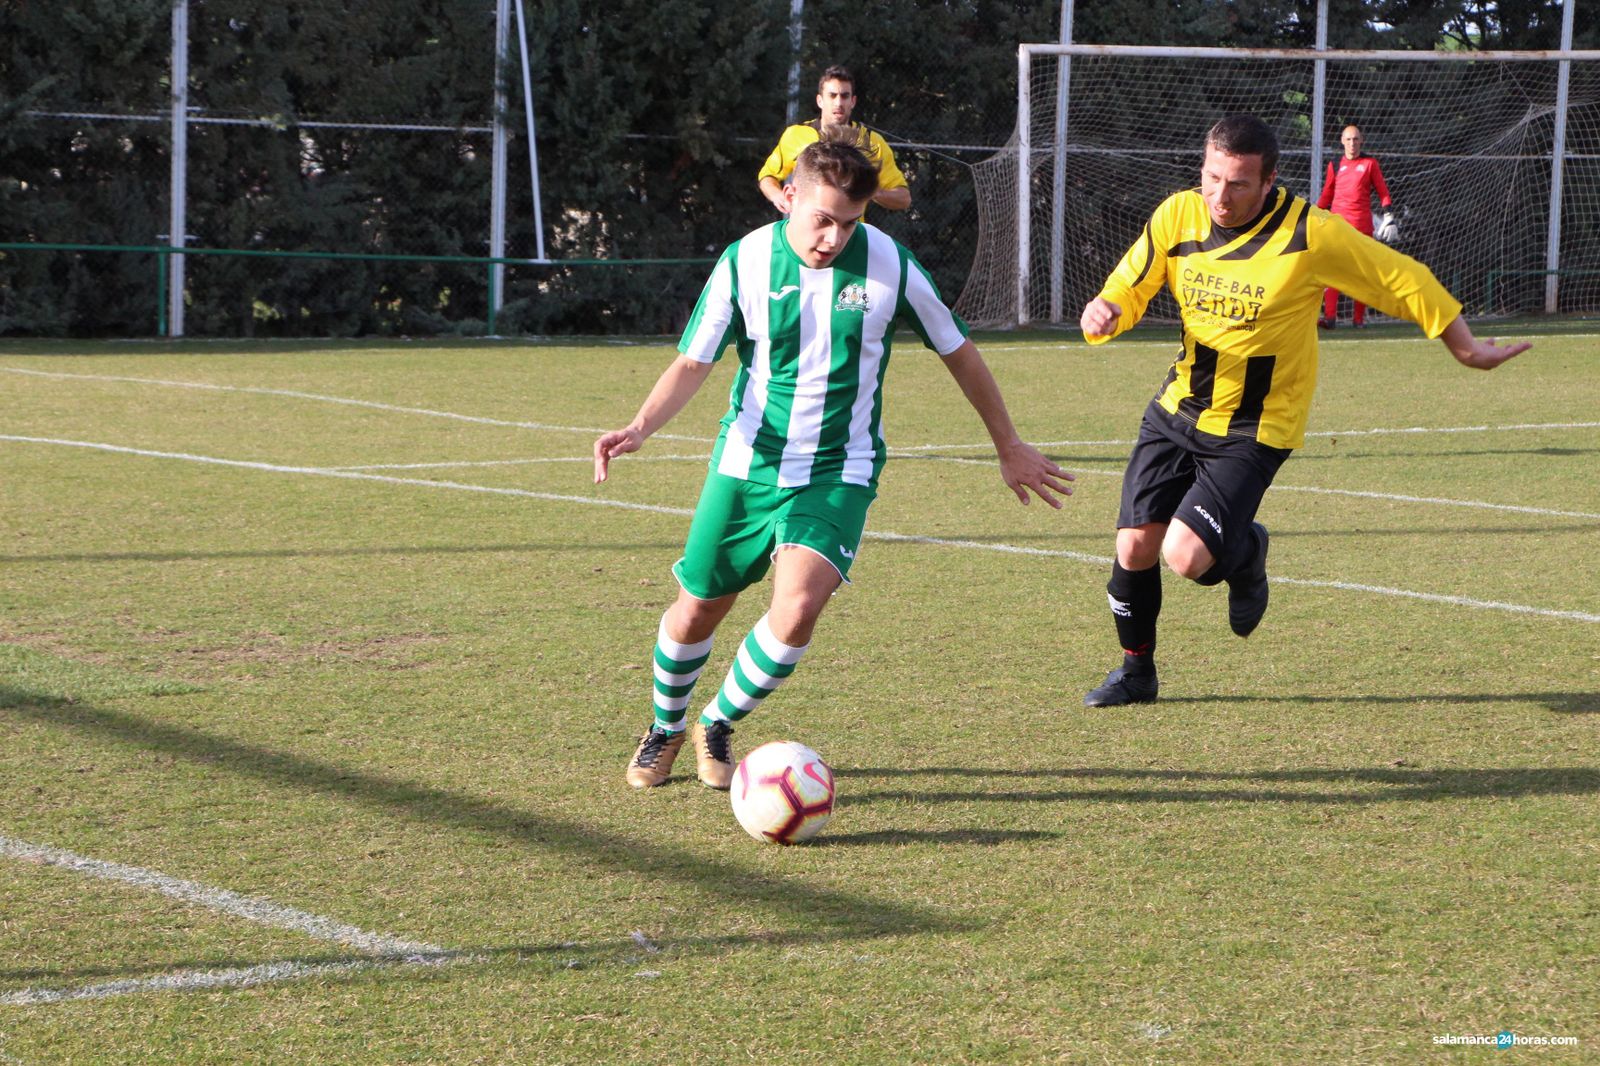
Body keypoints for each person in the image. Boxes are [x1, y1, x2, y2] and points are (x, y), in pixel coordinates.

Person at [598, 135, 1071, 788]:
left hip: (839, 468)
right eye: (821, 219)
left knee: (796, 610)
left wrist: (1008, 444)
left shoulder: (891, 266)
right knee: (698, 607)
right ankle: (665, 726)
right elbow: (692, 361)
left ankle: (717, 721)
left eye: (849, 222)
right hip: (749, 462)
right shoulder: (745, 263)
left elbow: (958, 350)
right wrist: (640, 425)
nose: (833, 238)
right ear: (789, 197)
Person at [1077, 114, 1528, 708]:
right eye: (1212, 178)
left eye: (1238, 183)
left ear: (1269, 181)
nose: (1220, 196)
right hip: (1178, 407)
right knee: (1134, 547)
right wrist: (1106, 307)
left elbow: (1399, 278)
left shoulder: (1310, 234)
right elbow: (1133, 281)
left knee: (1185, 557)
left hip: (1255, 426)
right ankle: (1137, 674)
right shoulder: (1177, 214)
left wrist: (1463, 345)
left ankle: (1246, 552)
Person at [758, 65, 911, 218]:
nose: (838, 103)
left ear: (853, 101)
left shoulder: (871, 142)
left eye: (844, 96)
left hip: (851, 237)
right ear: (820, 100)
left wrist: (868, 189)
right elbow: (767, 176)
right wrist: (778, 196)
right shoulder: (796, 135)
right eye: (832, 95)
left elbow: (903, 198)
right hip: (806, 236)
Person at [1316, 123, 1393, 328]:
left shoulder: (1370, 163)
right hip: (1338, 226)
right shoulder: (1334, 163)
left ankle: (1358, 320)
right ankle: (1330, 318)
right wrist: (1313, 214)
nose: (1352, 143)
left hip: (1361, 226)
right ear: (1342, 141)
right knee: (1333, 270)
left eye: (1355, 139)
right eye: (1348, 139)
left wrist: (1388, 215)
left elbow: (1383, 191)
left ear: (1361, 141)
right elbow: (1327, 193)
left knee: (1361, 273)